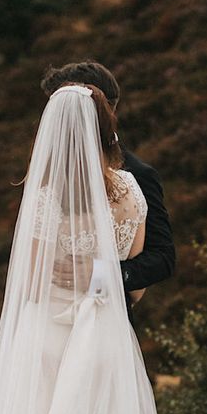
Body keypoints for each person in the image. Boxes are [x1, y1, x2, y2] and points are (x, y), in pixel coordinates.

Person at [0, 81, 207, 414]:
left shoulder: (44, 199)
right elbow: (136, 288)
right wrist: (99, 280)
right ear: (107, 129)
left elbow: (29, 286)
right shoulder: (130, 191)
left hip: (47, 340)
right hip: (104, 338)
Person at [40, 61, 176, 329]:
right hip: (51, 320)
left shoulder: (138, 174)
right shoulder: (52, 172)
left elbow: (162, 257)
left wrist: (101, 276)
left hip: (107, 324)